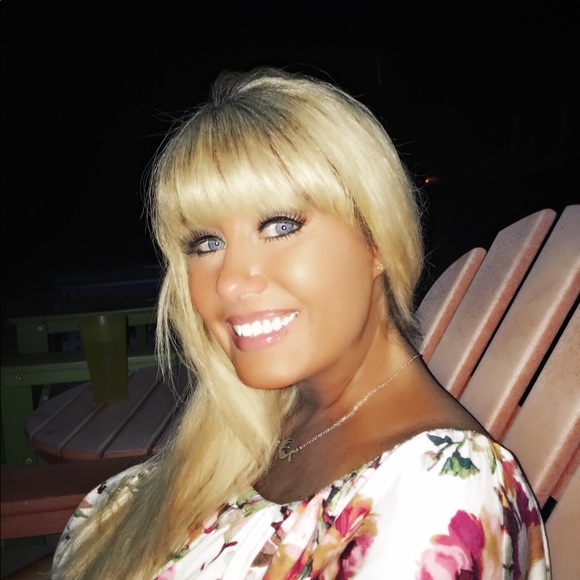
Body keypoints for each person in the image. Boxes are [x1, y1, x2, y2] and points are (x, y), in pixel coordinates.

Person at [51, 67, 550, 578]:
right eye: (206, 243)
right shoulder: (256, 423)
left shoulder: (437, 491)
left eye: (279, 226)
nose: (230, 282)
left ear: (377, 242)